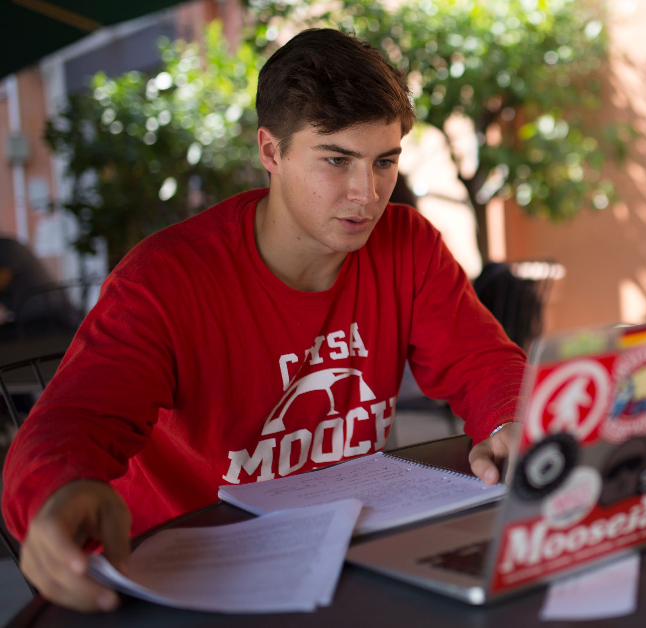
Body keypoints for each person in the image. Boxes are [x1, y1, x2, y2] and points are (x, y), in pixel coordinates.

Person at [1, 29, 525, 612]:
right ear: (271, 152)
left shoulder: (409, 246)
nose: (368, 192)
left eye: (385, 161)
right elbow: (74, 417)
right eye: (336, 160)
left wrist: (510, 419)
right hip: (188, 576)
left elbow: (482, 361)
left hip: (349, 555)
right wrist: (57, 491)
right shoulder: (164, 280)